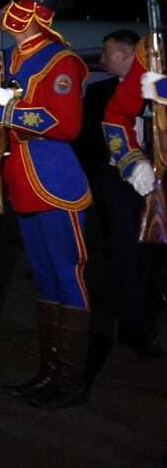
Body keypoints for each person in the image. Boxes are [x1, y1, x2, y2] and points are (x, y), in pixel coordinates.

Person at [0, 0, 92, 409]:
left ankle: (69, 380)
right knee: (45, 279)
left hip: (56, 182)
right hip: (21, 182)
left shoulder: (61, 60)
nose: (7, 10)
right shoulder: (5, 61)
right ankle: (49, 369)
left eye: (17, 1)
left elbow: (66, 123)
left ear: (36, 10)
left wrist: (10, 109)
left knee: (66, 277)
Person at [100, 25, 166, 359]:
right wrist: (132, 164)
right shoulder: (145, 62)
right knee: (135, 257)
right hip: (135, 182)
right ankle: (135, 328)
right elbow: (115, 118)